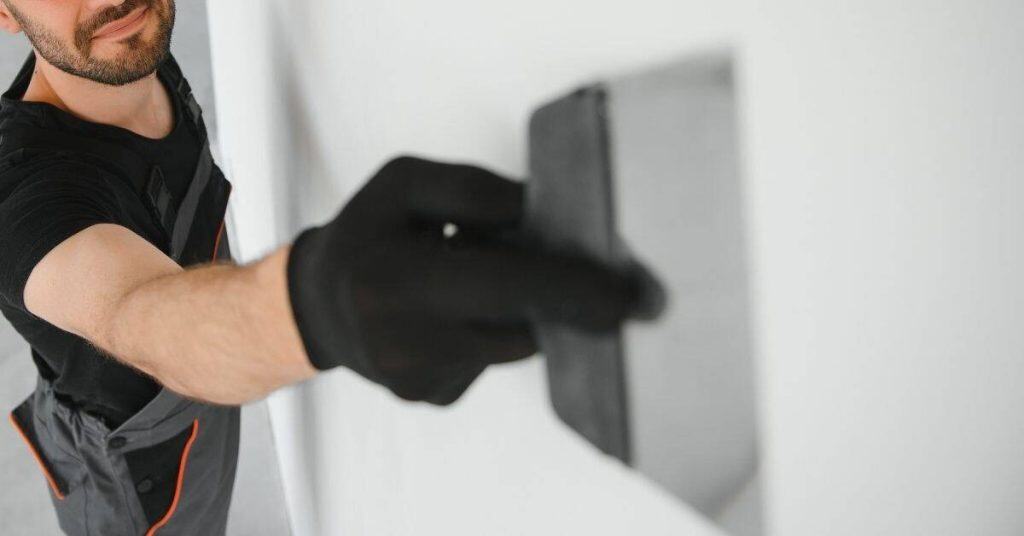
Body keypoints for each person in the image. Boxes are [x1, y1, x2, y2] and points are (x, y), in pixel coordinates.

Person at [0, 0, 646, 534]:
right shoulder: (20, 194)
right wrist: (315, 305)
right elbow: (133, 311)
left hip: (204, 392)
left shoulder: (127, 48)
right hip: (132, 475)